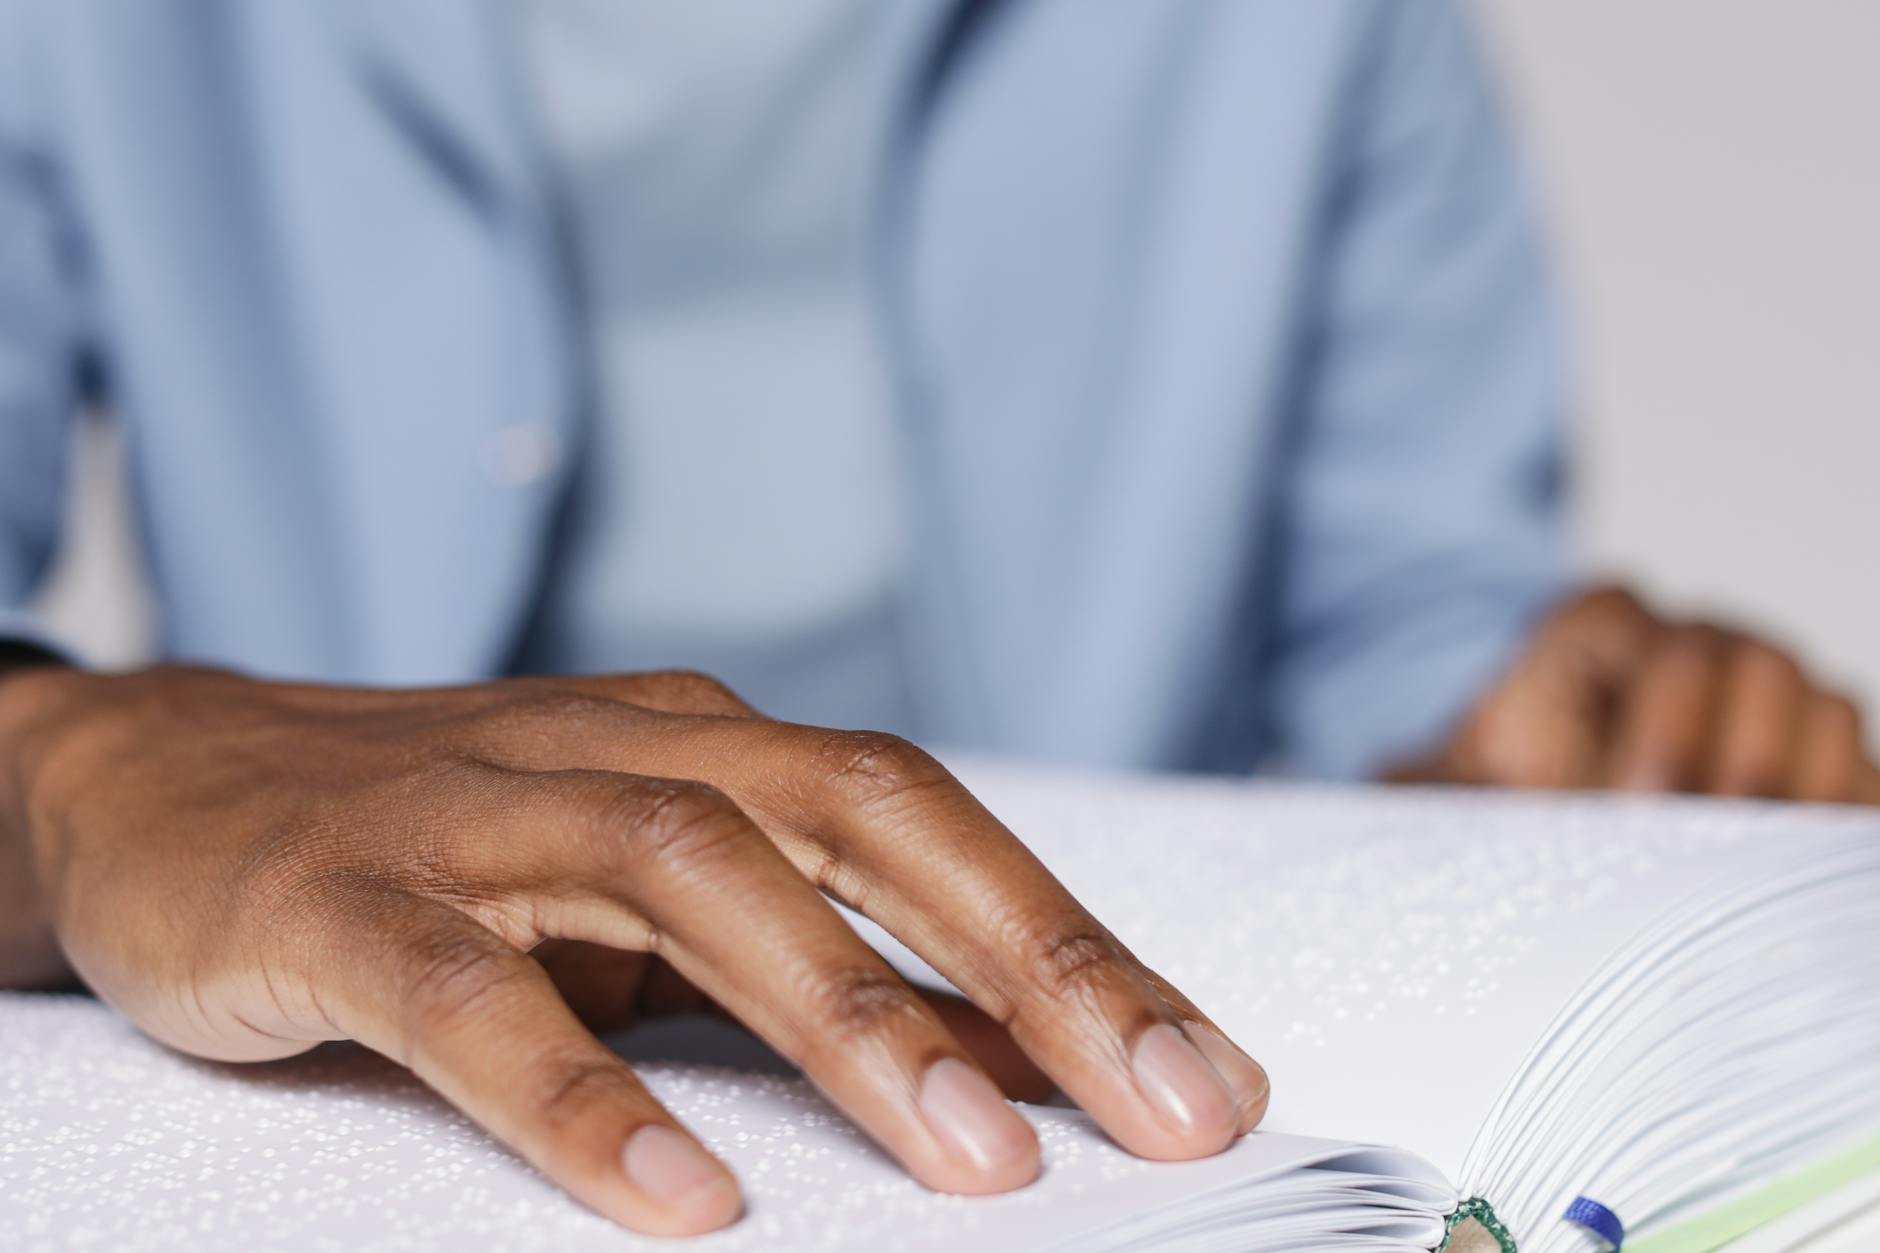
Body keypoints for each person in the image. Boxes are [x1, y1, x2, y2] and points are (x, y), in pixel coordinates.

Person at [0, 0, 1873, 1237]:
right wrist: (61, 752)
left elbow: (1412, 618)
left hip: (1101, 1110)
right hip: (409, 1079)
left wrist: (1543, 707)